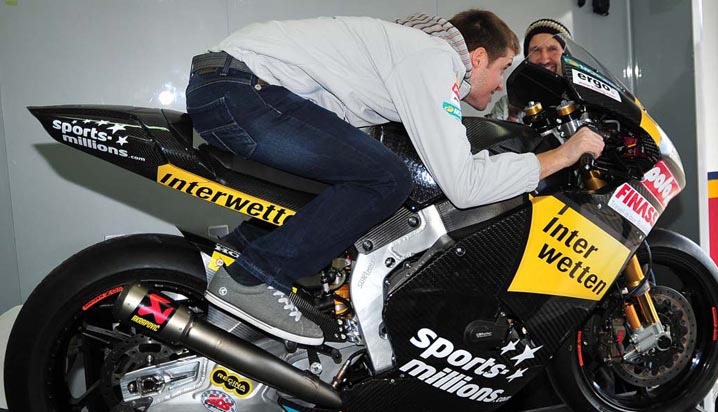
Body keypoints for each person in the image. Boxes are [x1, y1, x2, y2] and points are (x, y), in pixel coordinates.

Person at [185, 11, 603, 346]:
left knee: (346, 181)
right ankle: (252, 279)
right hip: (242, 89)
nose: (499, 85)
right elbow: (464, 185)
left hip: (229, 87)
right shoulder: (434, 58)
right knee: (387, 179)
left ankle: (236, 256)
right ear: (476, 58)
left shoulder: (403, 55)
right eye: (502, 68)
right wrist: (561, 156)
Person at [488, 18, 572, 121]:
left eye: (552, 49)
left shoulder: (583, 99)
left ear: (567, 55)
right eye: (536, 50)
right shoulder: (509, 104)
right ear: (527, 58)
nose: (544, 59)